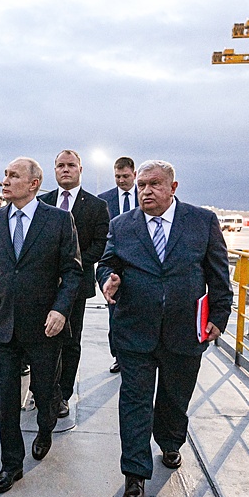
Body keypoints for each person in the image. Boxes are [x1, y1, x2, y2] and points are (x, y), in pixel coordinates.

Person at [96, 160, 232, 497]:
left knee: (174, 396)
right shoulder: (122, 225)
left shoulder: (201, 222)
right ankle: (135, 474)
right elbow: (108, 263)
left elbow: (217, 273)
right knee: (135, 402)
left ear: (173, 187)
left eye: (154, 184)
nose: (146, 191)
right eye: (142, 185)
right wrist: (108, 279)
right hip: (134, 329)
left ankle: (170, 441)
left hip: (185, 330)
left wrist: (219, 316)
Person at [0, 157, 82, 494]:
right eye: (5, 174)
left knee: (45, 393)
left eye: (14, 176)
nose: (6, 180)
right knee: (5, 397)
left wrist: (61, 310)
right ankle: (11, 464)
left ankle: (45, 429)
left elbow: (73, 272)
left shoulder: (58, 220)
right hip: (4, 324)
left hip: (45, 326)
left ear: (34, 184)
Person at [39, 149, 109, 418]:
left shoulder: (96, 206)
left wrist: (72, 265)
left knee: (70, 342)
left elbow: (100, 245)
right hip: (43, 285)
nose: (65, 169)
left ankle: (62, 395)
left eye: (70, 165)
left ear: (80, 169)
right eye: (60, 165)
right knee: (41, 339)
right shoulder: (42, 202)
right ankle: (42, 389)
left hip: (76, 286)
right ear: (54, 170)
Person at [97, 156, 138, 374]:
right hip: (113, 264)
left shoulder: (146, 196)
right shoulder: (104, 201)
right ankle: (118, 357)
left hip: (140, 265)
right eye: (117, 177)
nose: (121, 180)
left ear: (134, 174)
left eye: (125, 176)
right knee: (114, 314)